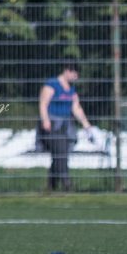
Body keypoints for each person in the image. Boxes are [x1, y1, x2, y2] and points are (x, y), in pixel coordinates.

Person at [38, 62, 95, 192]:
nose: (76, 76)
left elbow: (76, 107)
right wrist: (45, 120)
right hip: (52, 125)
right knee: (61, 153)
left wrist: (86, 125)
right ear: (67, 71)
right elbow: (43, 103)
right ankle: (67, 183)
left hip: (65, 126)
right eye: (74, 72)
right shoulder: (52, 84)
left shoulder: (71, 89)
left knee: (59, 154)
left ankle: (51, 186)